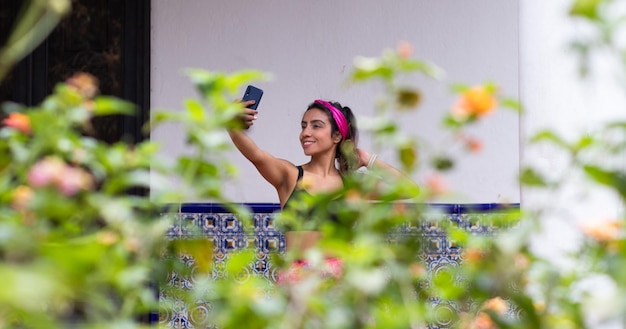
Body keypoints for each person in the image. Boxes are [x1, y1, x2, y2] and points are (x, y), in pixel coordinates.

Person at [228, 98, 416, 282]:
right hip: (297, 285)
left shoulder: (352, 185)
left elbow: (408, 189)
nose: (305, 133)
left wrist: (368, 159)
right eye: (303, 126)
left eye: (316, 126)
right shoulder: (290, 176)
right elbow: (256, 155)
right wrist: (231, 123)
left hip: (339, 286)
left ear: (336, 136)